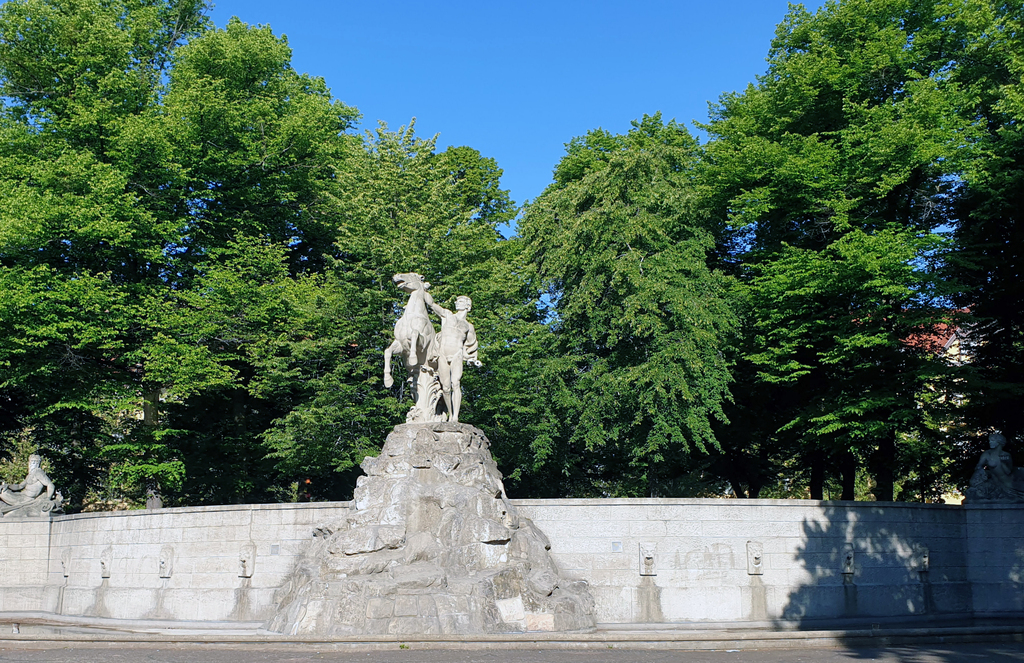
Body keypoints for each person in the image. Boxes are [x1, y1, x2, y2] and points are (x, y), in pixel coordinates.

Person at [426, 294, 481, 423]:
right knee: (446, 388)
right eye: (457, 301)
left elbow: (470, 346)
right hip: (443, 354)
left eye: (461, 301)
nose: (457, 302)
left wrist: (471, 359)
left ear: (468, 306)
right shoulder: (448, 315)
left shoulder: (469, 327)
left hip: (457, 354)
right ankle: (450, 414)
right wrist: (421, 291)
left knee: (455, 383)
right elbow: (432, 305)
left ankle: (455, 416)